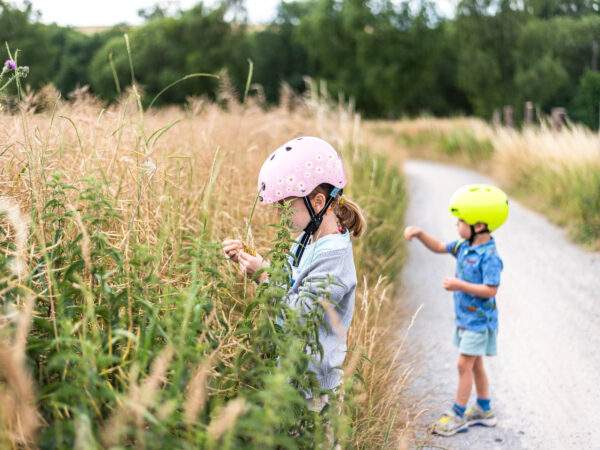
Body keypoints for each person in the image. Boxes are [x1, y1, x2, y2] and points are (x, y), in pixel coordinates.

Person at [223, 136, 366, 412]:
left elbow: (299, 315)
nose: (281, 215)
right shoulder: (305, 239)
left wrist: (262, 277)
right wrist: (255, 260)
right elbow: (288, 283)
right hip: (293, 375)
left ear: (318, 201)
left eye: (286, 206)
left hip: (315, 389)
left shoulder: (333, 257)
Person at [404, 184, 509, 436]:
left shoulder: (489, 256)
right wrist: (419, 234)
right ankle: (484, 409)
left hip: (479, 322)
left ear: (479, 226)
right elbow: (440, 246)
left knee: (464, 364)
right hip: (466, 319)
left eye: (461, 221)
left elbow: (491, 289)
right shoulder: (463, 246)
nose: (457, 225)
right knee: (475, 364)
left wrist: (459, 284)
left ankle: (457, 414)